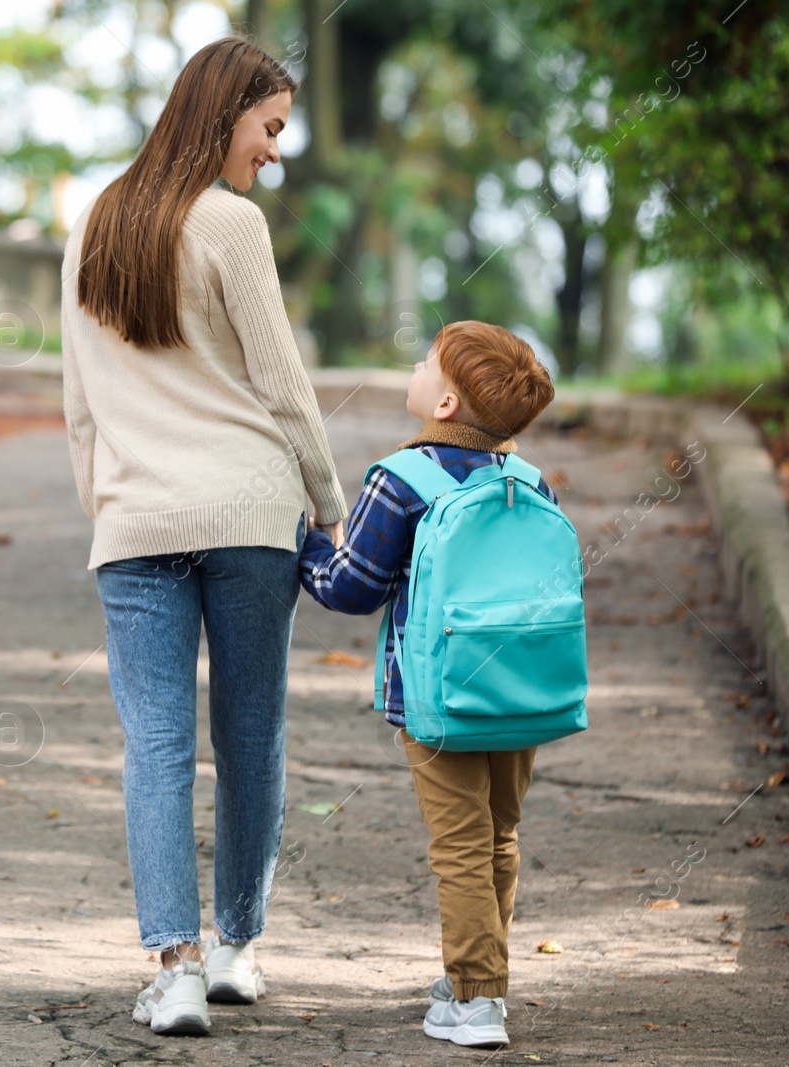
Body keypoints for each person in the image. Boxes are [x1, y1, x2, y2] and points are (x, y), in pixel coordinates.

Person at [60, 37, 348, 1037]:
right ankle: (235, 946)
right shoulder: (232, 225)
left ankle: (174, 967)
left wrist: (106, 509)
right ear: (222, 111)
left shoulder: (96, 220)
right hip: (248, 515)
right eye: (268, 126)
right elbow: (280, 382)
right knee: (251, 729)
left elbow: (78, 406)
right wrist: (329, 498)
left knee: (156, 739)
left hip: (135, 521)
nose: (274, 150)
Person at [298, 321, 559, 1050]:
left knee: (460, 844)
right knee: (498, 834)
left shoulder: (400, 478)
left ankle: (477, 998)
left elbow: (353, 586)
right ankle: (480, 976)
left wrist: (309, 548)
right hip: (523, 692)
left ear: (444, 402)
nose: (414, 366)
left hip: (438, 697)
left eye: (425, 362)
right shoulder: (530, 482)